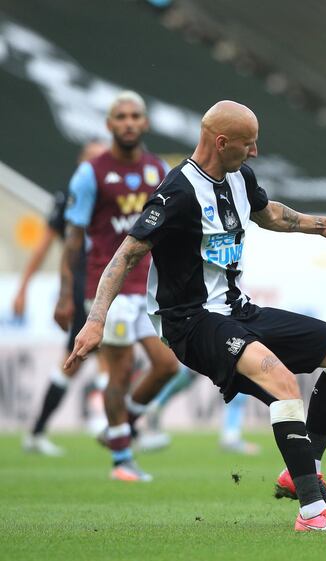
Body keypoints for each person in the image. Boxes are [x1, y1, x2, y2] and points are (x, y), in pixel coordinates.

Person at [66, 100, 326, 533]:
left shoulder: (240, 177)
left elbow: (269, 215)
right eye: (249, 144)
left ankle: (304, 469)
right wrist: (96, 319)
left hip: (238, 311)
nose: (255, 153)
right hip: (190, 321)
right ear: (221, 141)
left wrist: (322, 225)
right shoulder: (177, 193)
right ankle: (312, 513)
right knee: (283, 383)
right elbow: (125, 256)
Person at [56, 91, 189, 482]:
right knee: (121, 370)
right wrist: (67, 294)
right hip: (107, 289)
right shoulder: (91, 173)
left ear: (145, 123)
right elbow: (73, 238)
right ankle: (121, 461)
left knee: (167, 366)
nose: (129, 122)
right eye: (121, 116)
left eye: (135, 116)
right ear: (109, 125)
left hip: (149, 288)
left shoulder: (157, 169)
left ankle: (120, 428)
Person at [17, 140, 110, 455]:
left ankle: (104, 423)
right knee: (81, 356)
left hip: (109, 285)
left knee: (105, 356)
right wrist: (23, 289)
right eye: (93, 160)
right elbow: (44, 247)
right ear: (81, 164)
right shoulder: (69, 200)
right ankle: (98, 421)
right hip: (85, 285)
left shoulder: (116, 197)